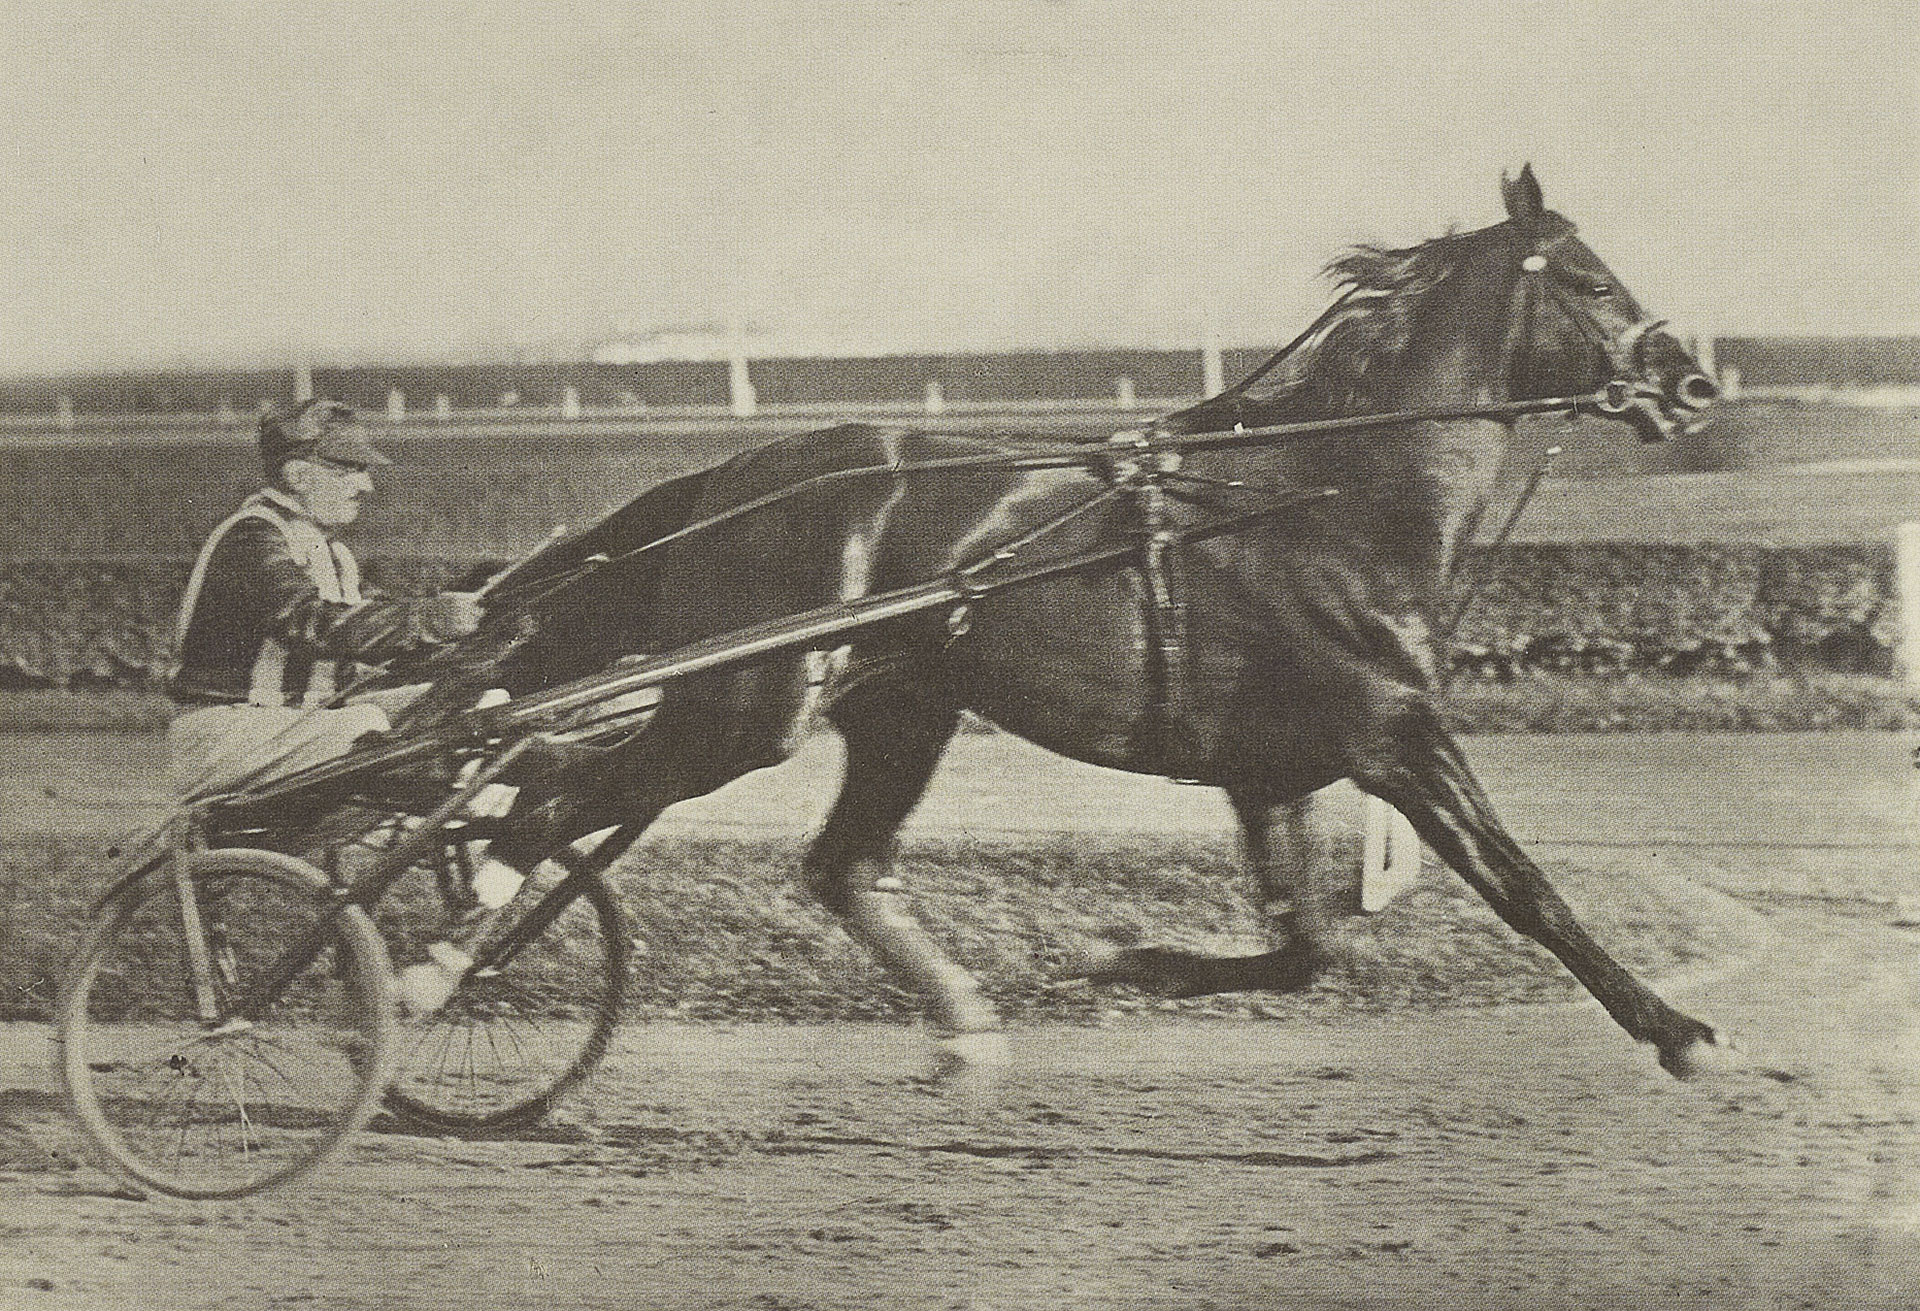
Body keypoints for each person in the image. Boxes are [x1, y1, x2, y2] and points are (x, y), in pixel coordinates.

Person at [166, 397, 484, 799]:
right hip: (223, 735)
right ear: (298, 475)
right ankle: (468, 807)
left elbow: (371, 624)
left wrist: (466, 630)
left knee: (470, 701)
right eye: (350, 469)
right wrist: (430, 619)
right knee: (362, 721)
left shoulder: (330, 552)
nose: (366, 485)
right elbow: (314, 623)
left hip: (287, 727)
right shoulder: (253, 536)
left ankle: (485, 840)